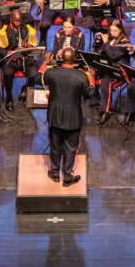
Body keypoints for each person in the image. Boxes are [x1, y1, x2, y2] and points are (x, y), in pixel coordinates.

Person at [39, 47, 95, 185]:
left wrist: (45, 63)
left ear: (61, 58)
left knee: (55, 145)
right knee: (70, 147)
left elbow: (37, 79)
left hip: (55, 115)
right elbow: (90, 94)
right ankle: (68, 176)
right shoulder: (81, 76)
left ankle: (54, 173)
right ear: (74, 58)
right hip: (73, 117)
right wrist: (92, 77)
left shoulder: (51, 72)